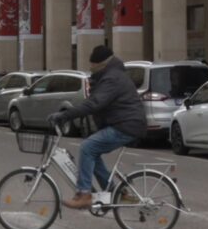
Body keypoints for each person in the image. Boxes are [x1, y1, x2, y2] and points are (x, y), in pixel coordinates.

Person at [49, 45, 147, 210]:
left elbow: (95, 103)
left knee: (88, 147)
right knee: (93, 151)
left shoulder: (112, 78)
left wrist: (65, 115)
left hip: (127, 125)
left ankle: (84, 194)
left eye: (92, 65)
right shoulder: (109, 75)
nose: (90, 68)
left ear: (102, 64)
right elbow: (97, 102)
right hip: (125, 123)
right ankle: (115, 192)